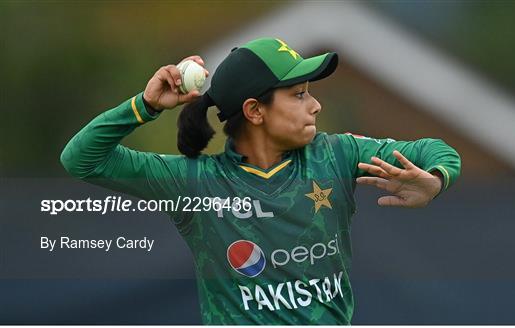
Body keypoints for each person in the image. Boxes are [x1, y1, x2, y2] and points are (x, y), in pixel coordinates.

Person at [60, 37, 461, 324]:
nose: (315, 104)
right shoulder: (194, 183)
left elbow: (436, 150)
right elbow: (82, 159)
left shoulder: (337, 154)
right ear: (254, 110)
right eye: (299, 94)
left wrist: (437, 179)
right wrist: (145, 106)